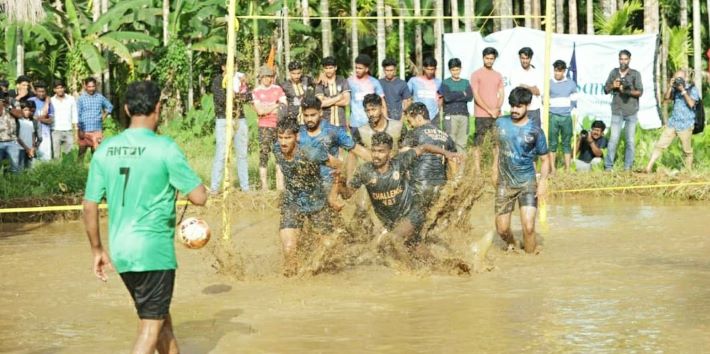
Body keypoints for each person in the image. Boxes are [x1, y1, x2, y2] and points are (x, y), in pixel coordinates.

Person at [83, 80, 207, 354]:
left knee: (162, 322)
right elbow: (199, 197)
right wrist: (199, 187)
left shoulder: (104, 150)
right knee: (150, 327)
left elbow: (89, 205)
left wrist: (97, 250)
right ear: (158, 108)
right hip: (153, 251)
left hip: (122, 251)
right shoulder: (165, 148)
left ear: (126, 109)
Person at [330, 132, 460, 267]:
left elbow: (424, 147)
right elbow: (347, 194)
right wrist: (338, 182)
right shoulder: (364, 171)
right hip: (392, 222)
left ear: (389, 152)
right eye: (373, 150)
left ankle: (411, 275)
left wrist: (447, 154)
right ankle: (448, 268)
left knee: (394, 239)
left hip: (413, 213)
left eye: (381, 151)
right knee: (416, 249)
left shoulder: (400, 162)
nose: (376, 155)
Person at [275, 118, 342, 277]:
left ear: (297, 137)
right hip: (292, 203)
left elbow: (339, 166)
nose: (283, 142)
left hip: (317, 203)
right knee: (289, 250)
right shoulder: (276, 149)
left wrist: (333, 195)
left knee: (325, 250)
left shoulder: (311, 152)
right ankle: (291, 288)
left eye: (288, 138)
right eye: (280, 137)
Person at [492, 87, 550, 254]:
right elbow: (496, 147)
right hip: (505, 182)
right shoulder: (500, 123)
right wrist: (493, 169)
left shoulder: (535, 131)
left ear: (527, 106)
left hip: (527, 182)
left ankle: (530, 263)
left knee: (529, 227)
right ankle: (514, 244)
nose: (514, 110)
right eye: (512, 106)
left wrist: (543, 182)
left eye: (518, 106)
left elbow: (545, 159)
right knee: (502, 229)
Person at [299, 94, 369, 191]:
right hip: (305, 185)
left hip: (328, 184)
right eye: (306, 115)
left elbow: (358, 150)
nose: (309, 119)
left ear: (320, 112)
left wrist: (382, 164)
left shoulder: (333, 132)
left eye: (313, 115)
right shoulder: (299, 133)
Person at [402, 102, 458, 212]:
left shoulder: (414, 133)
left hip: (419, 184)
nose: (410, 125)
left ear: (418, 117)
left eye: (410, 121)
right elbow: (453, 161)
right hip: (440, 185)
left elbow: (403, 156)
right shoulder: (445, 135)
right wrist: (454, 185)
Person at [645, 70, 700, 173]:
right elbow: (666, 99)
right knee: (660, 144)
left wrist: (683, 90)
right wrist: (670, 86)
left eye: (680, 79)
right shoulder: (674, 89)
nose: (678, 81)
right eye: (676, 78)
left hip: (686, 124)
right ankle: (648, 167)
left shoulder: (692, 89)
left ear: (685, 78)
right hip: (673, 122)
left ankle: (688, 171)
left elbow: (692, 104)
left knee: (686, 151)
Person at [210, 60, 251, 193]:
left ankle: (245, 188)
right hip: (223, 119)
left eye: (235, 66)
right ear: (223, 67)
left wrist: (242, 88)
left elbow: (247, 96)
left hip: (240, 119)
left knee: (242, 154)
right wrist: (233, 94)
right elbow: (221, 99)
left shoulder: (240, 79)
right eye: (229, 65)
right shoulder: (217, 81)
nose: (233, 68)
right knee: (221, 153)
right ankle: (215, 188)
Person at [603, 49, 643, 171]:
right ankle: (608, 167)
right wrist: (613, 86)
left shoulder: (635, 74)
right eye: (621, 59)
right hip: (617, 110)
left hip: (631, 111)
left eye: (625, 59)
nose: (623, 61)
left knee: (630, 141)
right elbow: (605, 90)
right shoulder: (614, 73)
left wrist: (626, 91)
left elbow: (640, 92)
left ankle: (628, 168)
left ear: (629, 60)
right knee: (613, 139)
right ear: (618, 59)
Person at [252, 65, 287, 191]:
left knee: (280, 154)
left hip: (278, 125)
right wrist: (274, 106)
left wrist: (268, 108)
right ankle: (264, 186)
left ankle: (280, 185)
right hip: (264, 127)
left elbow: (284, 105)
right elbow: (260, 111)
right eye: (265, 76)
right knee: (264, 155)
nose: (268, 79)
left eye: (270, 76)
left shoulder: (278, 89)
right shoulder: (256, 91)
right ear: (260, 77)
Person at [470, 47, 504, 174]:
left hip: (496, 115)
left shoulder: (498, 75)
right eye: (487, 58)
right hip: (481, 115)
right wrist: (489, 110)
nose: (489, 61)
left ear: (494, 59)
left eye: (492, 59)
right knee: (478, 142)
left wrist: (497, 108)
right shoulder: (476, 74)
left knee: (497, 142)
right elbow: (476, 94)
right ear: (483, 58)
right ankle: (478, 170)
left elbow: (501, 93)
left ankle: (494, 168)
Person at [548, 60, 579, 173]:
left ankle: (567, 169)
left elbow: (574, 99)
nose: (557, 73)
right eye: (555, 71)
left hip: (566, 117)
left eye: (560, 71)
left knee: (566, 143)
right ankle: (553, 169)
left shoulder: (571, 83)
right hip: (553, 116)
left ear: (564, 71)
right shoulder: (549, 83)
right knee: (552, 143)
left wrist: (569, 109)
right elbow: (544, 99)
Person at [439, 58, 473, 152]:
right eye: (453, 70)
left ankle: (461, 166)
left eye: (457, 69)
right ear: (450, 70)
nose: (455, 72)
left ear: (461, 69)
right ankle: (450, 166)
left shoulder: (465, 82)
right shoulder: (445, 82)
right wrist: (462, 93)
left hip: (464, 115)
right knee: (450, 141)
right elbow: (447, 98)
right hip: (450, 115)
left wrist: (453, 94)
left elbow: (470, 97)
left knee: (462, 143)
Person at [348, 54, 387, 132]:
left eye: (360, 68)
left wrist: (385, 122)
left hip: (372, 123)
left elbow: (383, 104)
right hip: (355, 123)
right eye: (356, 67)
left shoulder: (374, 82)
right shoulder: (350, 81)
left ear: (366, 69)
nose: (357, 70)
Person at [77, 77, 113, 159]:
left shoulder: (100, 97)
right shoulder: (81, 99)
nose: (91, 89)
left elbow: (110, 106)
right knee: (81, 153)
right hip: (84, 130)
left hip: (97, 130)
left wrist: (104, 115)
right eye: (89, 87)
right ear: (85, 86)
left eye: (93, 86)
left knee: (96, 154)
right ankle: (78, 170)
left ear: (95, 86)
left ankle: (94, 169)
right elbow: (78, 114)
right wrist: (79, 129)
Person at [315, 56, 350, 131]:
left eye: (330, 68)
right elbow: (320, 103)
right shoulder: (320, 83)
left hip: (341, 124)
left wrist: (328, 100)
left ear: (335, 67)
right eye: (326, 68)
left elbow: (346, 101)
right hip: (326, 124)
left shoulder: (342, 80)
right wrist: (338, 98)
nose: (328, 71)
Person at [511, 47, 542, 127]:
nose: (524, 61)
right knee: (520, 135)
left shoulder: (536, 72)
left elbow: (538, 91)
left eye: (527, 58)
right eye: (522, 58)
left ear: (531, 58)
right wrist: (532, 88)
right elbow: (517, 93)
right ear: (519, 58)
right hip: (520, 110)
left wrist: (526, 87)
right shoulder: (515, 72)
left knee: (536, 135)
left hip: (534, 109)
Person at [407, 56, 442, 127]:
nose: (430, 72)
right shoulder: (414, 81)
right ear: (423, 68)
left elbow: (441, 98)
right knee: (419, 137)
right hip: (418, 117)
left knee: (434, 137)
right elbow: (406, 97)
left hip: (434, 117)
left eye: (432, 69)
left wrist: (438, 109)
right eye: (428, 69)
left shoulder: (439, 82)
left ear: (435, 69)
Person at [50, 81, 78, 159]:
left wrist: (76, 131)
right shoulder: (51, 100)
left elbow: (74, 114)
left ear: (64, 88)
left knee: (69, 155)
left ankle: (68, 170)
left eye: (61, 87)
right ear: (54, 90)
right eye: (57, 88)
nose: (60, 90)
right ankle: (57, 170)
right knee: (56, 156)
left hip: (68, 130)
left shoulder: (71, 99)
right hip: (55, 130)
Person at [280, 61, 314, 125]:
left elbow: (318, 82)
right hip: (292, 118)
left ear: (302, 71)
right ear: (289, 73)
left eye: (298, 73)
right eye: (293, 73)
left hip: (307, 117)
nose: (296, 76)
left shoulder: (306, 80)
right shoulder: (284, 85)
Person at [28, 81, 54, 161]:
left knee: (46, 158)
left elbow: (50, 120)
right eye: (39, 91)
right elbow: (27, 115)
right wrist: (42, 118)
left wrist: (38, 118)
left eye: (43, 91)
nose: (41, 94)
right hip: (31, 133)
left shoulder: (49, 103)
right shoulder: (30, 101)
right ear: (35, 91)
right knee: (32, 159)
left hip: (45, 134)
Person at [0, 93, 22, 174]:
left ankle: (14, 186)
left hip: (12, 141)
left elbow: (19, 115)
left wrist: (8, 106)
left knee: (14, 169)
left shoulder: (13, 101)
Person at [17, 100, 39, 170]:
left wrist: (32, 147)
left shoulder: (30, 122)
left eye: (29, 110)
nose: (28, 112)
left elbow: (33, 135)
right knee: (20, 168)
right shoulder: (18, 121)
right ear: (21, 110)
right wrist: (27, 149)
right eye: (25, 110)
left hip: (30, 149)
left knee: (31, 169)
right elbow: (17, 137)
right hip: (21, 149)